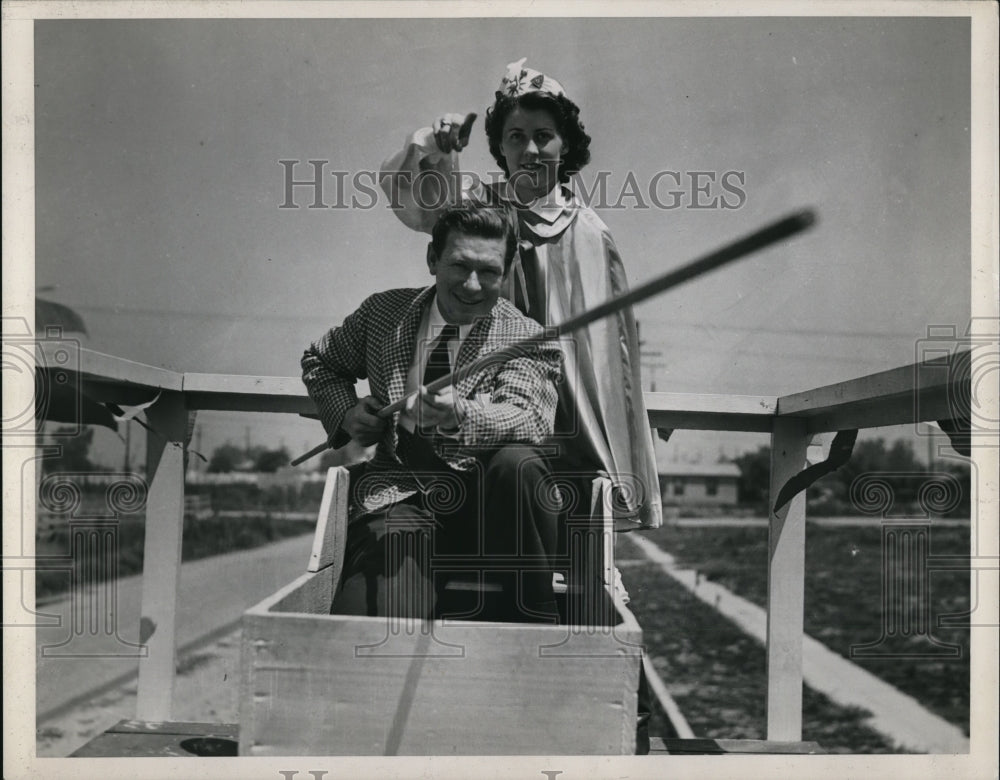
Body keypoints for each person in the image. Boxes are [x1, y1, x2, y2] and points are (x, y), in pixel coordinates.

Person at [379, 57, 662, 531]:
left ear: (564, 144)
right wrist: (431, 144)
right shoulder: (478, 210)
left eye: (543, 136)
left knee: (560, 505)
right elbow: (414, 204)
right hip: (477, 412)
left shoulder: (591, 235)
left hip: (561, 417)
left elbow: (614, 358)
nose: (529, 150)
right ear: (499, 147)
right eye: (515, 137)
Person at [301, 203, 564, 623]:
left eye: (490, 271)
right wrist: (347, 413)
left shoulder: (527, 336)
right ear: (431, 259)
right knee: (364, 633)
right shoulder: (381, 314)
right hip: (403, 501)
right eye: (460, 266)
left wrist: (458, 415)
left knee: (519, 462)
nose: (474, 285)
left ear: (508, 270)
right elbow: (320, 362)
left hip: (492, 515)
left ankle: (534, 625)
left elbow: (527, 418)